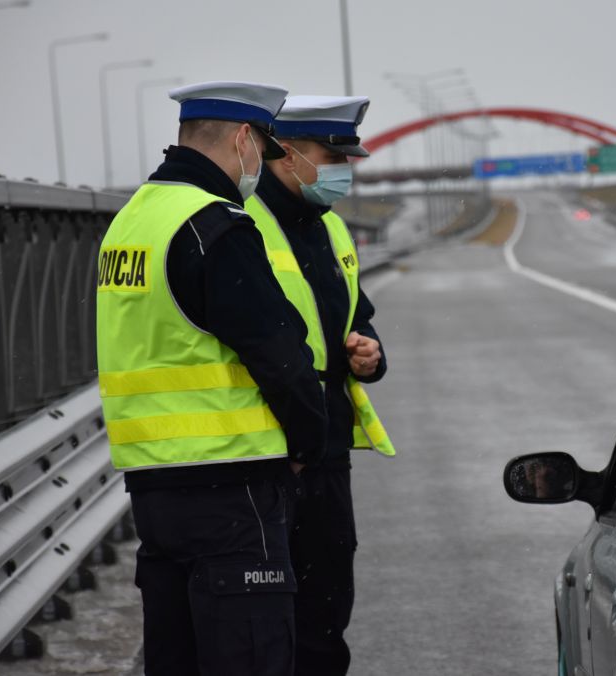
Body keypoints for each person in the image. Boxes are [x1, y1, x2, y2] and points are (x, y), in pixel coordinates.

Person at [96, 81, 330, 676]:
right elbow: (279, 353)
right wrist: (308, 443)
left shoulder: (132, 220)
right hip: (231, 487)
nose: (261, 167)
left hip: (153, 486)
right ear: (244, 139)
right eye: (264, 150)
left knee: (177, 660)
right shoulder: (213, 224)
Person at [243, 94, 395, 676]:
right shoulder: (239, 225)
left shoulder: (330, 228)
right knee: (266, 625)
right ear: (285, 154)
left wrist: (369, 353)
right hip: (265, 455)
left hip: (326, 454)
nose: (343, 169)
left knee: (327, 614)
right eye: (331, 155)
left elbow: (357, 317)